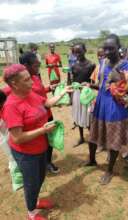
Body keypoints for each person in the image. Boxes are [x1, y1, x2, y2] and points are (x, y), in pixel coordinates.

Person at [2, 64, 72, 220]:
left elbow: (46, 104)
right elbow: (17, 138)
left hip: (40, 147)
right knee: (31, 182)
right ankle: (31, 212)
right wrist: (43, 130)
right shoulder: (12, 106)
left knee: (39, 177)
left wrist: (62, 94)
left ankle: (35, 200)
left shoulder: (30, 93)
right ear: (14, 84)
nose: (32, 82)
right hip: (26, 153)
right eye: (27, 80)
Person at [86, 34, 128, 185]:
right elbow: (101, 84)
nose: (106, 51)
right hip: (101, 102)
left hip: (115, 106)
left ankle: (109, 170)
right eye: (105, 48)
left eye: (110, 48)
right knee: (93, 133)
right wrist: (89, 86)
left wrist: (120, 80)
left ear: (118, 48)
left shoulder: (125, 66)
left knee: (113, 140)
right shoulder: (103, 62)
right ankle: (92, 160)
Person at [20, 51, 60, 174]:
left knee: (49, 140)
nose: (38, 68)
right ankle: (39, 165)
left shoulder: (36, 77)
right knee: (40, 141)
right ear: (26, 65)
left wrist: (49, 88)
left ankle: (47, 162)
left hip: (47, 113)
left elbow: (40, 92)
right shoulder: (22, 81)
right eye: (36, 65)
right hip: (36, 117)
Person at [71, 43, 96, 147]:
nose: (77, 54)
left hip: (87, 94)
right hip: (77, 93)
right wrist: (70, 96)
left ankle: (92, 138)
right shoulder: (73, 66)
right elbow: (72, 81)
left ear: (85, 50)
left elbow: (94, 82)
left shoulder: (91, 65)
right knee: (78, 115)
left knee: (88, 116)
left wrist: (89, 85)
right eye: (75, 52)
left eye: (79, 51)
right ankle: (81, 137)